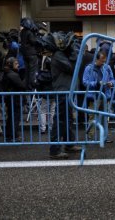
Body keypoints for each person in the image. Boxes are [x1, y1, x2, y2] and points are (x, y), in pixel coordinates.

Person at [49, 31, 82, 159]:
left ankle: (69, 143)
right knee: (60, 120)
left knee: (68, 119)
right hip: (62, 90)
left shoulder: (62, 55)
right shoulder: (59, 55)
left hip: (67, 90)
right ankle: (55, 150)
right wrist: (74, 53)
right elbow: (73, 67)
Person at [82, 51, 115, 142]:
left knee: (105, 117)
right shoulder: (89, 68)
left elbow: (113, 79)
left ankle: (104, 137)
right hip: (94, 96)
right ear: (96, 59)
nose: (103, 62)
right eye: (102, 60)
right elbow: (85, 82)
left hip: (105, 95)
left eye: (104, 60)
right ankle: (90, 137)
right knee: (92, 117)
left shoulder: (107, 67)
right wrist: (96, 83)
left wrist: (111, 83)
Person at [2, 57, 27, 141]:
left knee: (11, 118)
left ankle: (10, 135)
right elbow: (22, 86)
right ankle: (13, 136)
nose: (18, 65)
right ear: (10, 64)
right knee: (14, 118)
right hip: (14, 99)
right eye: (16, 64)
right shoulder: (12, 74)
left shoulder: (8, 73)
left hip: (11, 99)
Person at [19, 17, 38, 90]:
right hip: (31, 53)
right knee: (32, 71)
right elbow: (33, 41)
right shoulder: (30, 32)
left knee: (27, 71)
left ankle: (27, 86)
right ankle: (32, 86)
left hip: (25, 54)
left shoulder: (22, 32)